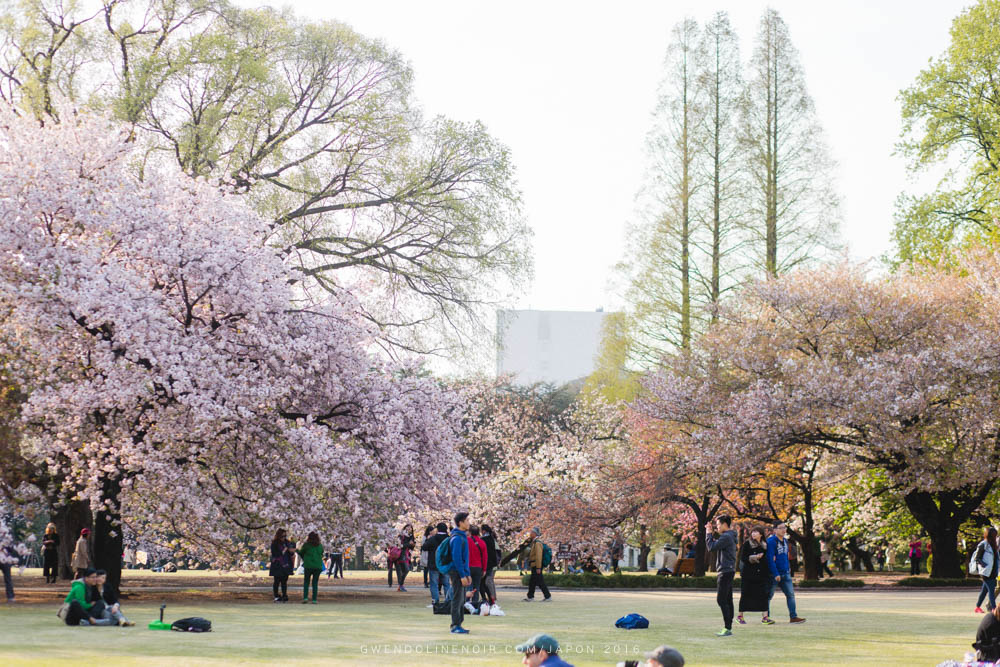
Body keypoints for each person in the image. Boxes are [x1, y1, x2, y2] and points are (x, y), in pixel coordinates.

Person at [765, 522, 806, 624]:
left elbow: (785, 557)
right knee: (768, 596)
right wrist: (775, 573)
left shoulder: (785, 541)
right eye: (781, 528)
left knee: (790, 595)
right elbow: (770, 559)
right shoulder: (771, 541)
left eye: (785, 527)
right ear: (775, 530)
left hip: (785, 573)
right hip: (774, 574)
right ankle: (766, 617)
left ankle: (793, 617)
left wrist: (788, 569)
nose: (784, 530)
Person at [736, 526, 773, 626]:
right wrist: (755, 557)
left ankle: (765, 617)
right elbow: (743, 558)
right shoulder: (747, 544)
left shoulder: (765, 545)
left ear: (761, 534)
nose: (753, 534)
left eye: (756, 532)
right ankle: (740, 616)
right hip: (748, 575)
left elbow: (767, 559)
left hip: (761, 574)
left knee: (763, 595)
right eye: (752, 532)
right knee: (745, 594)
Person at [707, 515, 737, 636]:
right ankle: (728, 626)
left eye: (718, 525)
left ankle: (727, 627)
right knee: (728, 599)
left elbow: (711, 547)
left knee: (721, 600)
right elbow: (717, 544)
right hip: (729, 570)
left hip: (725, 571)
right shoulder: (730, 536)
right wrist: (711, 534)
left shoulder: (726, 536)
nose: (717, 527)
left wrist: (708, 534)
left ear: (725, 524)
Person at [447, 512, 472, 634]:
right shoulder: (457, 538)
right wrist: (462, 575)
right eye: (466, 520)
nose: (468, 523)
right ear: (460, 523)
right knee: (457, 599)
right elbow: (457, 558)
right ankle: (455, 625)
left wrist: (467, 574)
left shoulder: (462, 537)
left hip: (461, 572)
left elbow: (464, 558)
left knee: (461, 599)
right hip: (457, 573)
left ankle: (459, 624)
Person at [973, 526, 999, 613]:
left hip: (993, 572)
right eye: (994, 535)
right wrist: (985, 566)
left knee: (984, 591)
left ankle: (977, 607)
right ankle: (994, 609)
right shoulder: (983, 545)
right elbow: (977, 558)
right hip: (986, 572)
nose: (996, 537)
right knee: (991, 590)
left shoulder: (994, 545)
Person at [424, 522, 450, 606]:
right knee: (446, 583)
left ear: (437, 529)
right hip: (445, 564)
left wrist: (428, 539)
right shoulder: (449, 539)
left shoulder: (433, 538)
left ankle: (435, 601)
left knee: (434, 583)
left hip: (434, 563)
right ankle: (448, 601)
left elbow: (424, 547)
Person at [523, 527, 552, 602]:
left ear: (535, 533)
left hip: (536, 565)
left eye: (531, 532)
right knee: (532, 581)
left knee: (540, 581)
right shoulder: (534, 542)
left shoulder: (538, 543)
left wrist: (538, 567)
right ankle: (530, 596)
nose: (530, 533)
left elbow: (539, 556)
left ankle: (547, 596)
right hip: (534, 565)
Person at [298, 531, 324, 604]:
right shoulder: (320, 545)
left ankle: (305, 597)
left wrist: (297, 550)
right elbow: (322, 553)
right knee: (315, 583)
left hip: (308, 565)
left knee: (306, 582)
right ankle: (314, 599)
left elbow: (301, 553)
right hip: (318, 566)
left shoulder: (306, 545)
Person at [467, 525, 488, 612]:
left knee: (468, 586)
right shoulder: (482, 542)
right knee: (476, 586)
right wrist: (484, 569)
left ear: (470, 532)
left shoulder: (466, 541)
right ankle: (475, 603)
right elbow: (485, 557)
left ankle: (466, 603)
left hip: (468, 566)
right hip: (478, 567)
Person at [481, 524, 500, 610]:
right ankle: (492, 597)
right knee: (489, 581)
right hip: (492, 563)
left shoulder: (485, 539)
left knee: (488, 581)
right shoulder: (492, 539)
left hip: (489, 563)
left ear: (484, 531)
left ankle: (491, 597)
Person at [269, 528, 292, 602]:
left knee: (284, 581)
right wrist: (283, 550)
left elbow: (291, 553)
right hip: (277, 564)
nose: (284, 538)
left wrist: (291, 551)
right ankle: (276, 595)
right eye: (282, 536)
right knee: (277, 581)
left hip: (286, 564)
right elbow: (275, 554)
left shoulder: (287, 543)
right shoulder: (275, 543)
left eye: (285, 536)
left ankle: (284, 595)